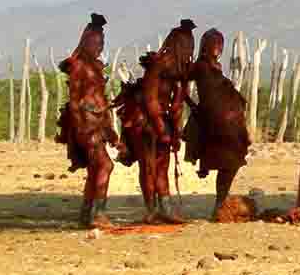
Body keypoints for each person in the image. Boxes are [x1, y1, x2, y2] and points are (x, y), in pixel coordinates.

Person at [113, 20, 194, 224]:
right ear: (177, 44)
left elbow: (178, 100)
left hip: (164, 119)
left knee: (162, 165)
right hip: (144, 121)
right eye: (186, 46)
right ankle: (151, 209)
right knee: (148, 165)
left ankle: (165, 208)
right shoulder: (158, 65)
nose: (188, 50)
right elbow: (150, 99)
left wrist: (174, 127)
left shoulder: (180, 69)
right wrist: (159, 126)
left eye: (191, 46)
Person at [55, 12, 118, 228]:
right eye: (96, 42)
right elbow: (74, 102)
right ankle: (97, 214)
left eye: (102, 43)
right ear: (86, 42)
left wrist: (108, 126)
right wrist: (82, 128)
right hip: (87, 125)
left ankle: (87, 213)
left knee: (95, 168)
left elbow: (100, 99)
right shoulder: (79, 66)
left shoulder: (95, 66)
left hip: (96, 123)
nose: (100, 47)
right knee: (105, 165)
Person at [183, 27, 252, 218]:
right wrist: (193, 106)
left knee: (232, 161)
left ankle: (220, 201)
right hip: (214, 118)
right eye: (215, 43)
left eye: (221, 43)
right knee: (226, 158)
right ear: (206, 45)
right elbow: (182, 84)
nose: (218, 47)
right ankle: (220, 202)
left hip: (229, 119)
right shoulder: (199, 66)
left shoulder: (217, 67)